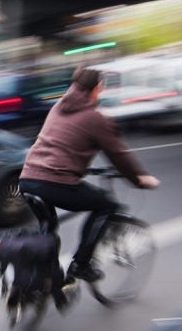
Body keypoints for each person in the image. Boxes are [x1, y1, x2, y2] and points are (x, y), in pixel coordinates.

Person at [19, 66, 160, 286]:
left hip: (27, 180)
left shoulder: (58, 107)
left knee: (48, 228)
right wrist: (139, 179)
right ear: (96, 88)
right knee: (106, 206)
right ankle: (80, 265)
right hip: (56, 183)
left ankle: (41, 281)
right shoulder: (95, 118)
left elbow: (60, 144)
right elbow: (118, 155)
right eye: (101, 87)